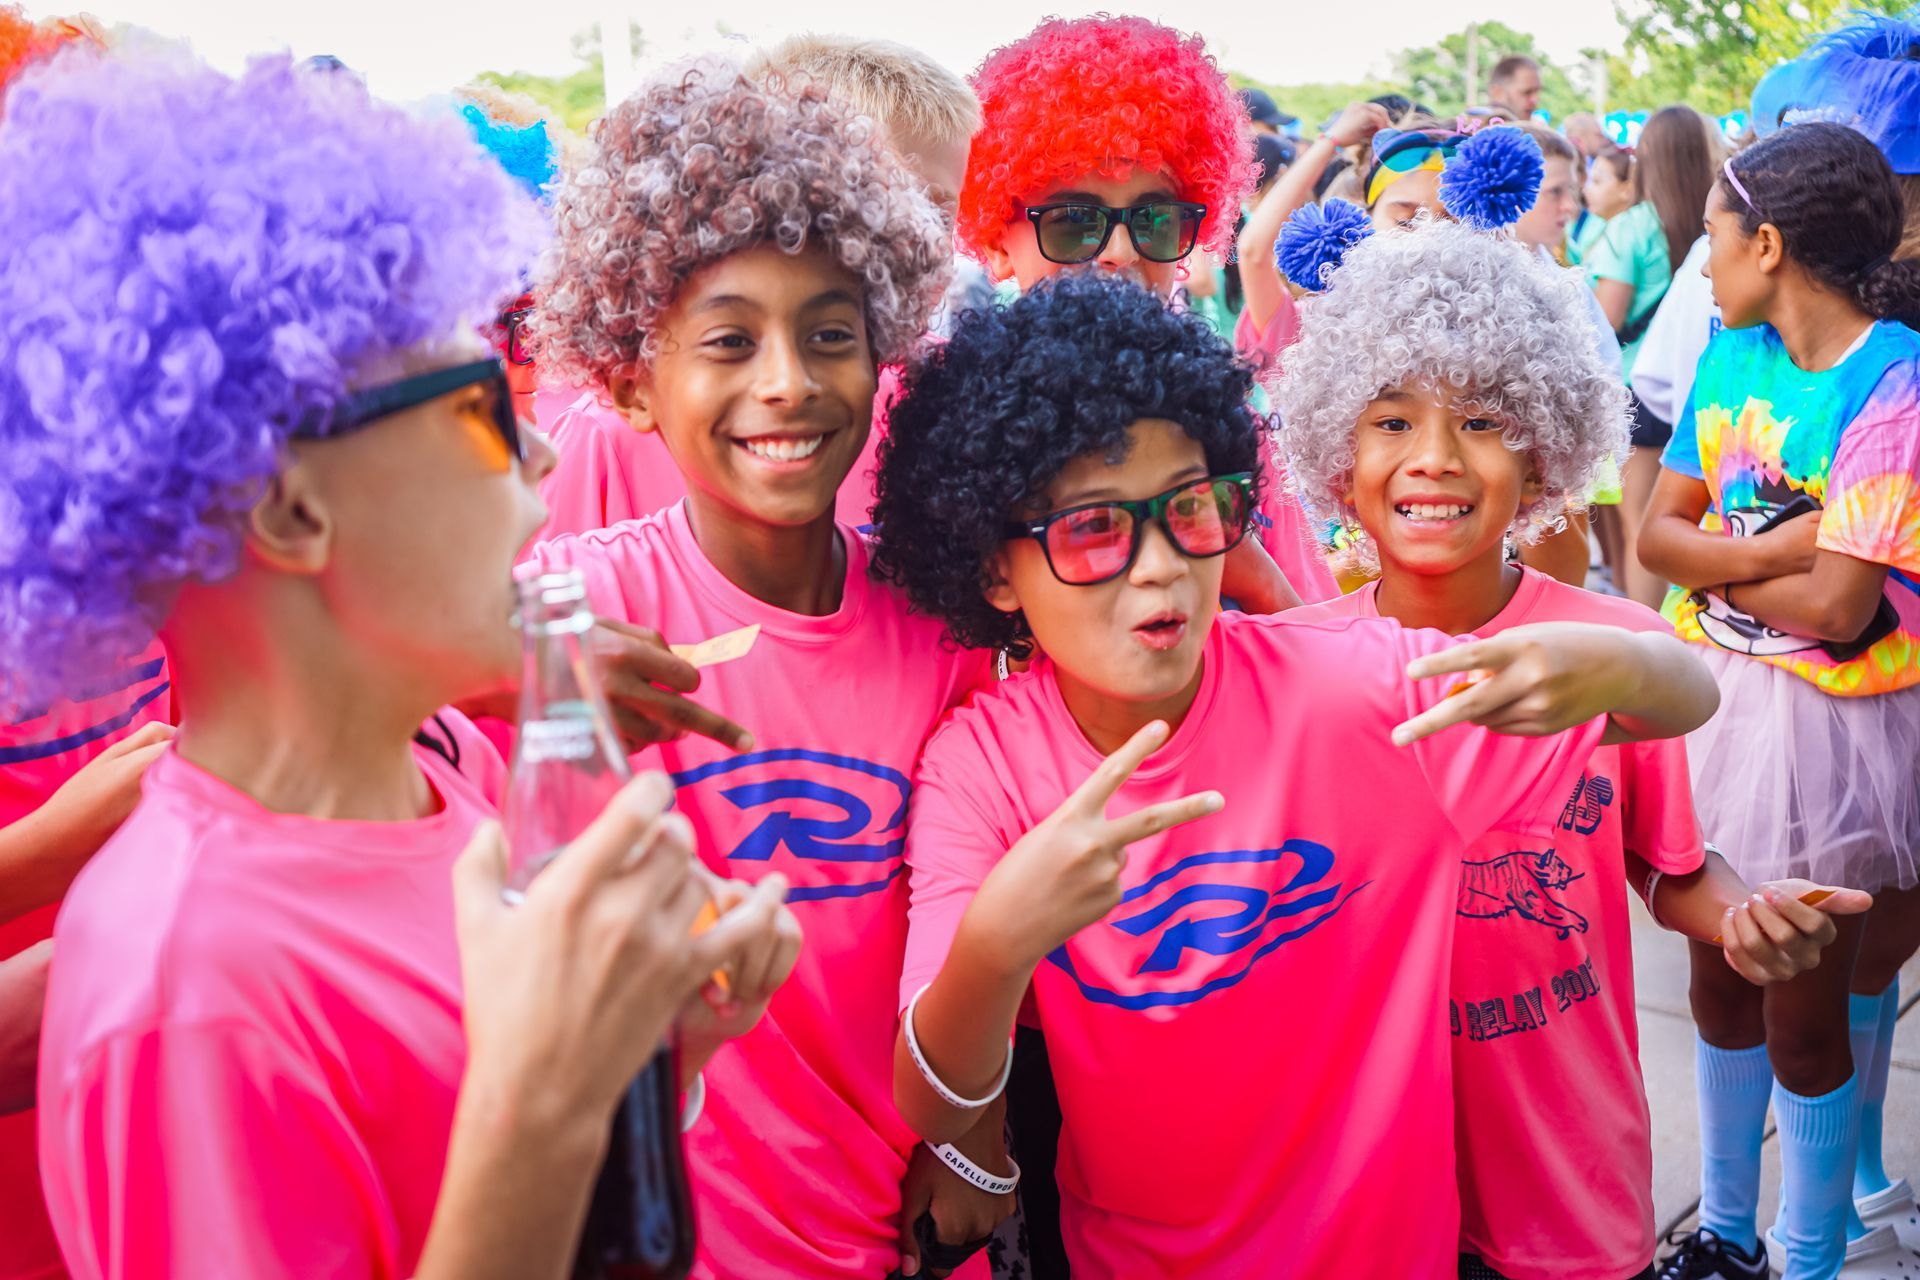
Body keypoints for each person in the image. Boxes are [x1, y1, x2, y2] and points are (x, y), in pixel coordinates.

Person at [3, 45, 799, 1280]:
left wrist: (647, 1053)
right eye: (481, 401)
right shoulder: (194, 983)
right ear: (288, 511)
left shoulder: (453, 762)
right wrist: (540, 1097)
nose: (541, 449)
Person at [870, 271, 1721, 1279]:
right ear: (993, 566)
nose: (1157, 564)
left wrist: (1619, 661)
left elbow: (1679, 699)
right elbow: (934, 1095)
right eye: (1094, 526)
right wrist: (1000, 939)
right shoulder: (983, 767)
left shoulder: (1348, 689)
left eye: (1188, 508)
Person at [1273, 218, 1867, 1280]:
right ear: (1336, 449)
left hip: (1565, 1171)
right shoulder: (1282, 669)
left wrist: (1744, 917)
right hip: (1363, 1184)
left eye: (1485, 419)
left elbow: (1670, 867)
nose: (1435, 458)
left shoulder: (1617, 653)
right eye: (1392, 417)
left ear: (1543, 447)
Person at [519, 65, 1008, 1280]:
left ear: (883, 349)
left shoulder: (940, 619)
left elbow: (972, 915)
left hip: (888, 1218)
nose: (787, 380)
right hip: (665, 1234)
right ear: (635, 377)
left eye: (830, 335)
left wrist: (970, 1138)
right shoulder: (572, 612)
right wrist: (501, 658)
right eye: (729, 340)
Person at [1638, 122, 1920, 1280]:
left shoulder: (1894, 383)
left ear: (1767, 241)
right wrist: (1794, 536)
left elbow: (1844, 609)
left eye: (1709, 232)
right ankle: (1726, 1235)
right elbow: (1655, 536)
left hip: (1836, 733)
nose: (1697, 261)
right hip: (1719, 712)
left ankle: (1811, 1251)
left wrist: (1729, 551)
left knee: (1806, 1009)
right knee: (1715, 973)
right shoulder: (1723, 354)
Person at [534, 35, 981, 540]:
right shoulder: (611, 432)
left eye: (938, 212)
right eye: (881, 201)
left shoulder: (952, 394)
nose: (911, 236)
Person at [957, 14, 1317, 609]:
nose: (1120, 253)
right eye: (1074, 224)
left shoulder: (1234, 434)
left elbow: (1320, 648)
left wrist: (1253, 579)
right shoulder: (942, 427)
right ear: (997, 242)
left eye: (1154, 220)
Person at [1587, 105, 1718, 609]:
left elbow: (1606, 321)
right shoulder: (1713, 224)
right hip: (1701, 384)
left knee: (1645, 526)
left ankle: (1650, 637)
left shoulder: (1633, 226)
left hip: (1640, 390)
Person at [1511, 121, 1626, 588]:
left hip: (1553, 489)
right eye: (1554, 191)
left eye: (1574, 191)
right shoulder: (1457, 277)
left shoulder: (1562, 280)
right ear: (1508, 190)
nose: (1570, 206)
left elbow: (1605, 367)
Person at [1572, 147, 1633, 267]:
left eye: (1596, 181)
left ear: (1626, 190)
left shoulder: (1624, 238)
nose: (1585, 190)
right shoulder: (1599, 224)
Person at [1487, 54, 1542, 121]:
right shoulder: (1476, 129)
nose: (1535, 100)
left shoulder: (1537, 127)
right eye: (1527, 92)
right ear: (1497, 92)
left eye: (1537, 92)